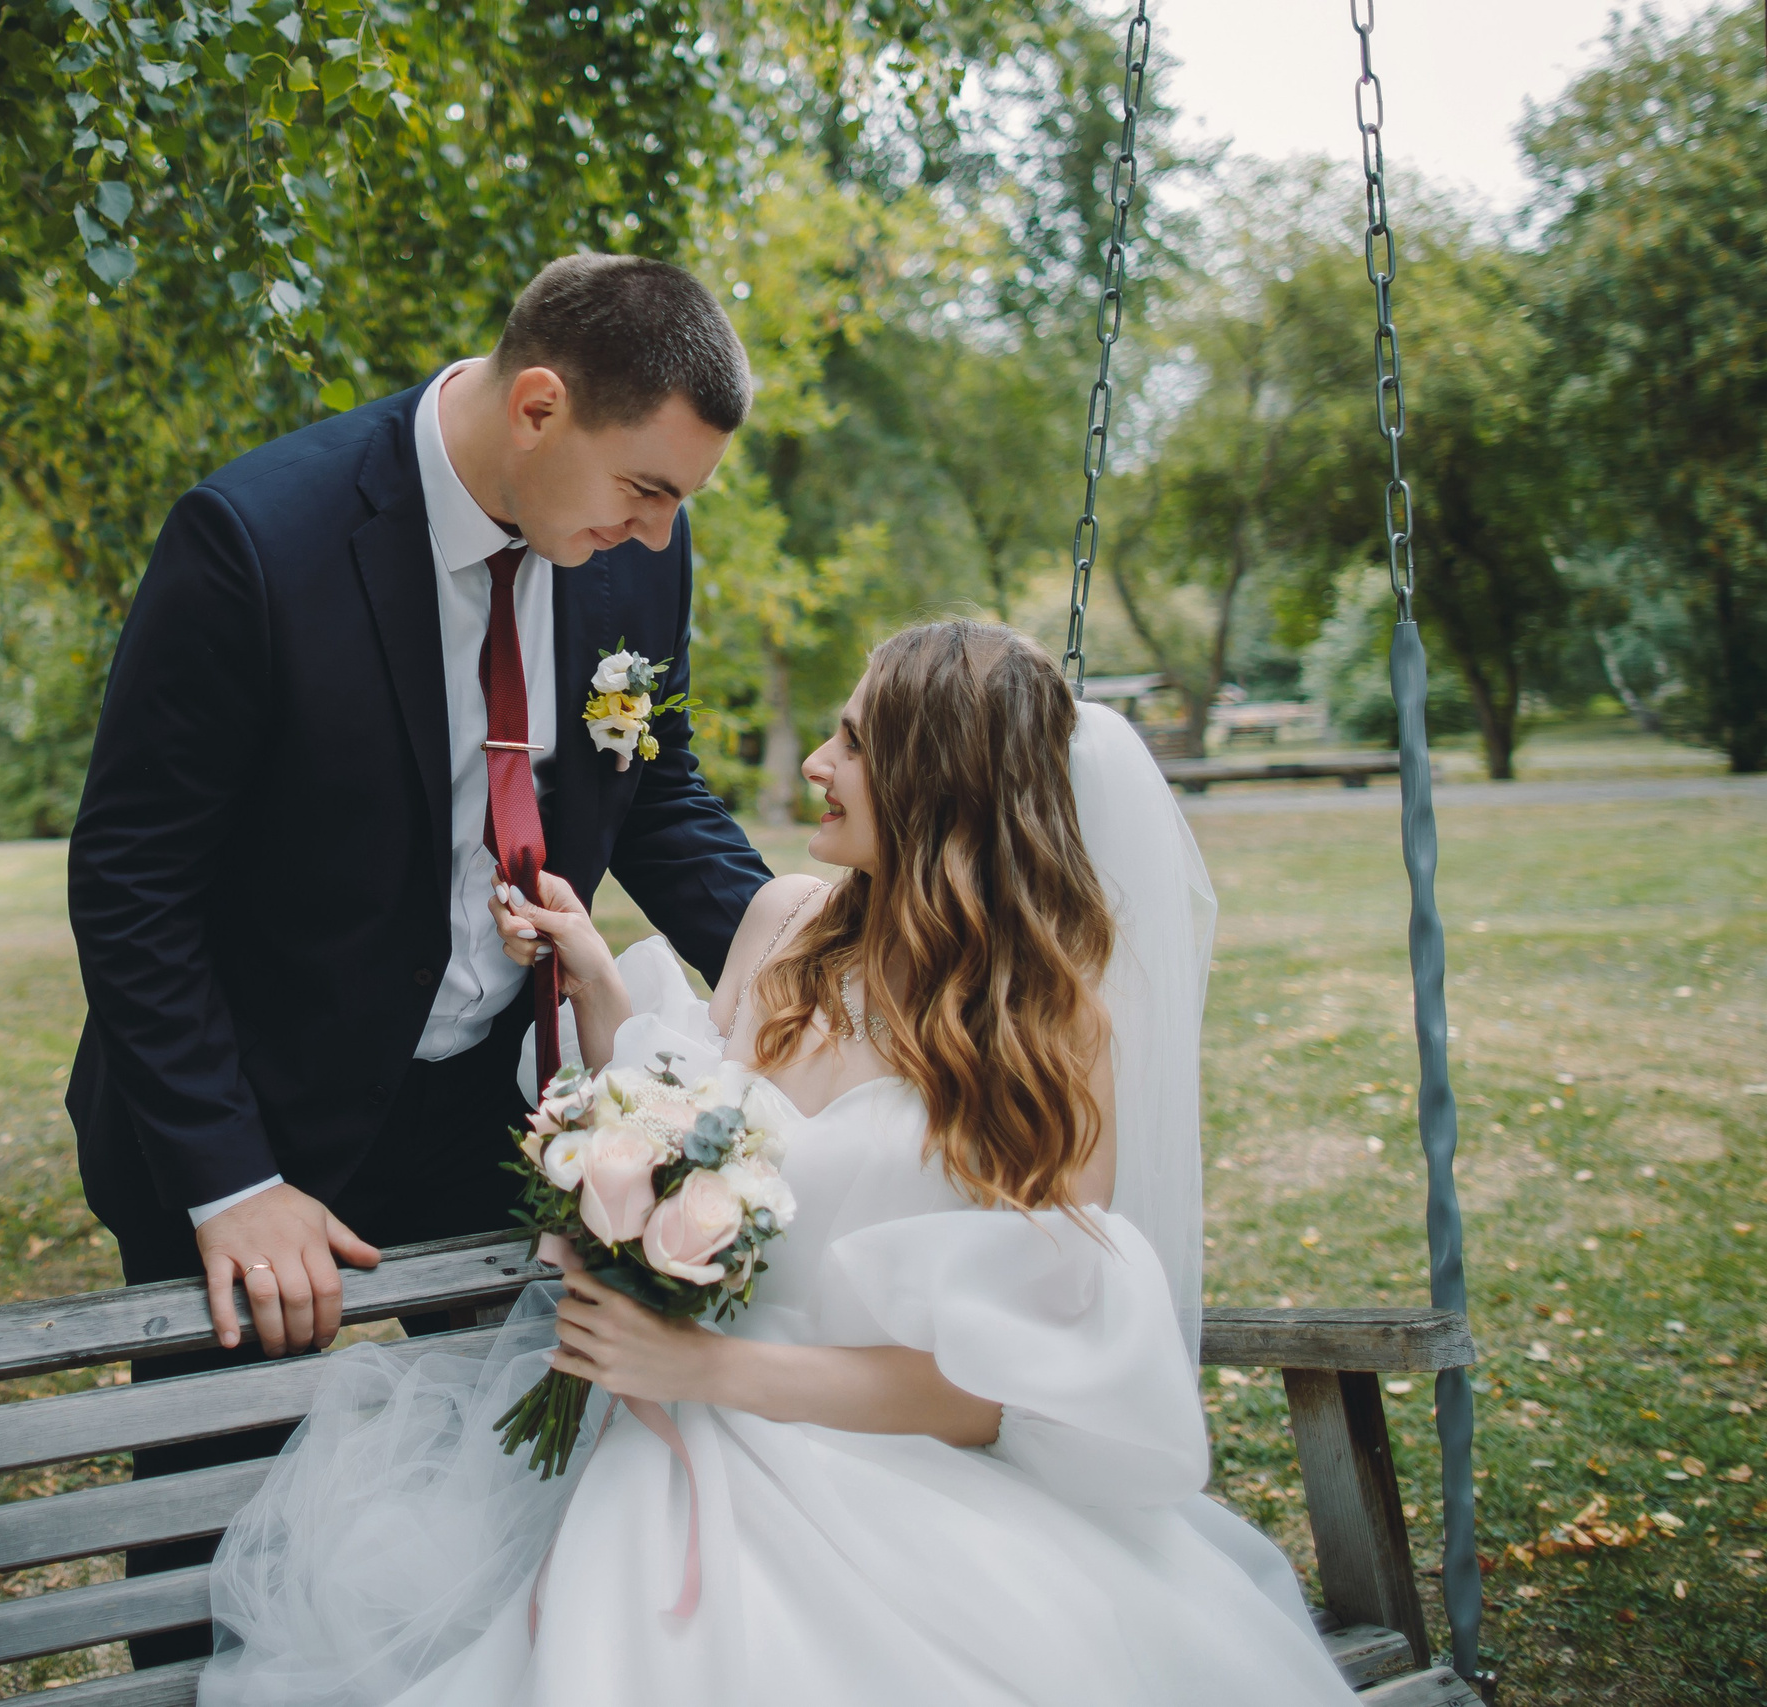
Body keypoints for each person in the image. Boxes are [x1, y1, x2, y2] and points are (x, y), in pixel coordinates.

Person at [199, 620, 1362, 1705]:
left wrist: (704, 1370)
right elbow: (681, 1120)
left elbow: (986, 1394)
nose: (815, 759)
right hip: (658, 1435)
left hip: (888, 1475)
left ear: (940, 783)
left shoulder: (1047, 1036)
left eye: (853, 742)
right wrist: (595, 976)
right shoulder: (790, 924)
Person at [66, 254, 776, 1663]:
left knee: (516, 1483)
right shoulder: (256, 538)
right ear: (536, 406)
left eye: (676, 502)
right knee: (215, 1533)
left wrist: (814, 967)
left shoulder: (635, 551)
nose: (654, 532)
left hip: (485, 1101)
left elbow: (659, 786)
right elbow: (131, 877)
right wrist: (231, 1179)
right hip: (250, 1117)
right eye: (645, 488)